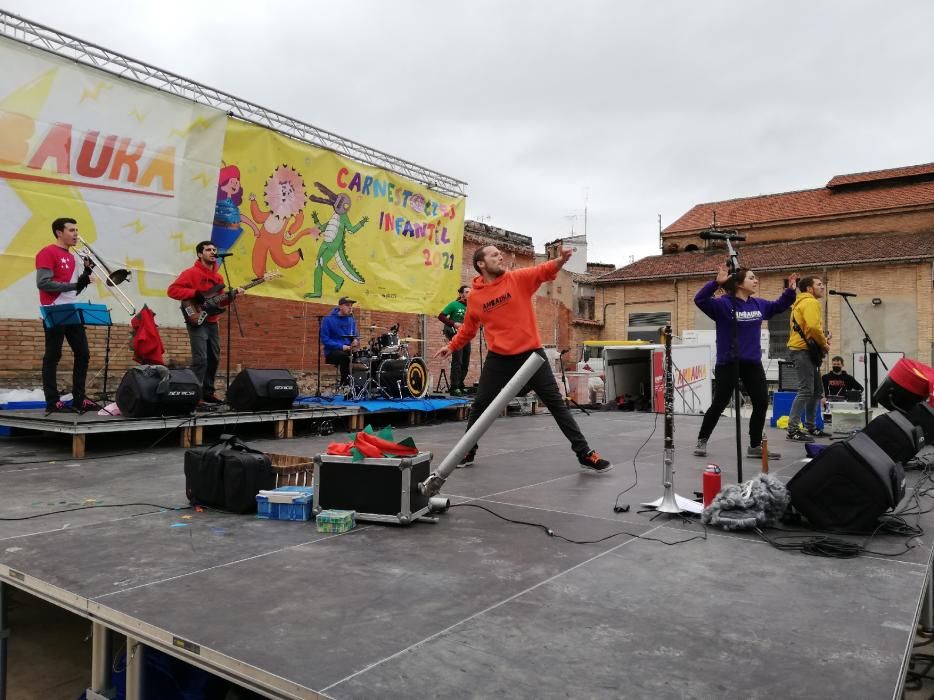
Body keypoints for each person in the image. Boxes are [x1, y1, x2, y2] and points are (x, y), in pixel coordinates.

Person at [434, 245, 612, 472]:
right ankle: (468, 450)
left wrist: (561, 260)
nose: (500, 256)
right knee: (480, 405)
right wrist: (451, 346)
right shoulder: (476, 298)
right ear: (481, 264)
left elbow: (544, 270)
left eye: (500, 253)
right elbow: (469, 330)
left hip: (531, 356)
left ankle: (584, 453)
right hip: (499, 358)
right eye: (494, 254)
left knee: (556, 404)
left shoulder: (517, 279)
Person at [692, 263, 797, 459]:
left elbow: (778, 307)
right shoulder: (723, 304)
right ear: (739, 284)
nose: (756, 280)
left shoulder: (758, 304)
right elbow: (700, 299)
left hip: (752, 363)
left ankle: (755, 445)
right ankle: (702, 440)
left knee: (761, 403)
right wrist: (716, 283)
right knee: (720, 403)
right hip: (728, 362)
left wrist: (790, 292)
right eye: (751, 277)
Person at [167, 241, 244, 404]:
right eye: (208, 249)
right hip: (197, 320)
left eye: (215, 249)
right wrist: (194, 292)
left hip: (212, 321)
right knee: (200, 358)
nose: (212, 252)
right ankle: (195, 394)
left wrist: (232, 296)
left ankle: (207, 392)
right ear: (200, 254)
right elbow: (172, 291)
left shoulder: (218, 277)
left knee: (214, 357)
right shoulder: (190, 273)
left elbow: (219, 302)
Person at [36, 218, 97, 413]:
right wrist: (74, 285)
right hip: (53, 308)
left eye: (77, 230)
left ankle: (79, 398)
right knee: (53, 355)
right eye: (71, 230)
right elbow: (43, 283)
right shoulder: (47, 252)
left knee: (83, 353)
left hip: (70, 307)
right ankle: (52, 401)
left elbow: (72, 291)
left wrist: (85, 275)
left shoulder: (73, 257)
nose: (76, 234)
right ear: (58, 232)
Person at [787, 275, 831, 442]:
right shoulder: (811, 302)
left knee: (816, 391)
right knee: (806, 390)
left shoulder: (800, 303)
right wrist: (824, 344)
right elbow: (813, 327)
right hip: (802, 351)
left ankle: (811, 427)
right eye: (819, 284)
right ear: (809, 288)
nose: (822, 287)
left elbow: (809, 327)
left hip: (804, 350)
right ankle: (792, 430)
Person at [438, 285, 471, 395]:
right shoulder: (454, 304)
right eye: (466, 292)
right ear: (461, 294)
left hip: (466, 336)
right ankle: (454, 386)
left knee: (466, 361)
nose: (469, 294)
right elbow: (441, 316)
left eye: (470, 292)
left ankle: (461, 384)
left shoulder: (471, 307)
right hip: (455, 335)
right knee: (458, 360)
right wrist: (454, 323)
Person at [320, 296, 360, 387]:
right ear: (340, 306)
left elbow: (356, 335)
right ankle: (345, 385)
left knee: (364, 358)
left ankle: (359, 386)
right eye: (347, 305)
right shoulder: (328, 319)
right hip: (332, 352)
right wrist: (341, 346)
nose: (350, 307)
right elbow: (325, 339)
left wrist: (355, 340)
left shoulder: (351, 319)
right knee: (345, 358)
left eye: (351, 305)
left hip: (348, 350)